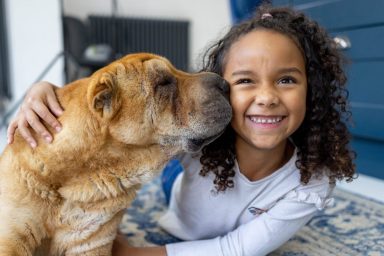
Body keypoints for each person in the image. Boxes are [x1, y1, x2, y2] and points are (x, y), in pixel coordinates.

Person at [7, 4, 355, 256]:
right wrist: (47, 91)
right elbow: (95, 126)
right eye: (246, 80)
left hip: (194, 172)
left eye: (287, 79)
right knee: (158, 155)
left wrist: (132, 254)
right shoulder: (204, 138)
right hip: (183, 174)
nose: (266, 97)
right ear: (226, 87)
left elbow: (235, 248)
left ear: (314, 89)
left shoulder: (313, 181)